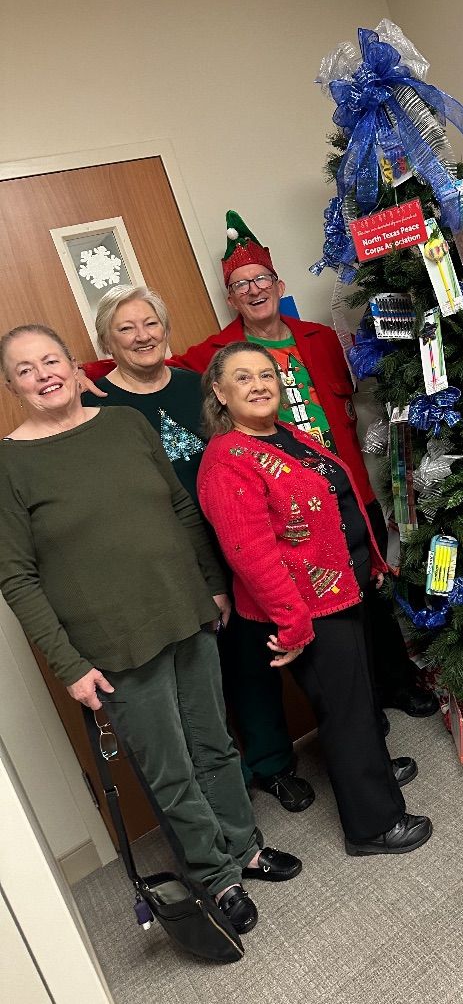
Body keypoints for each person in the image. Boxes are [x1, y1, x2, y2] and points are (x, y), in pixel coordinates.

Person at [0, 324, 300, 937]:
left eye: (51, 359)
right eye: (26, 369)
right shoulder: (9, 465)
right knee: (170, 767)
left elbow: (181, 508)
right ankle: (214, 876)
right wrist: (69, 666)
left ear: (73, 364)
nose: (44, 374)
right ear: (11, 386)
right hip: (113, 649)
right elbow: (17, 577)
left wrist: (213, 585)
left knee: (215, 743)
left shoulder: (124, 425)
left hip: (185, 613)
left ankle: (243, 847)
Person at [83, 210, 437, 720]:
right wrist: (80, 374)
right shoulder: (212, 356)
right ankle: (360, 713)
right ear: (230, 299)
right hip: (288, 515)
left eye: (261, 279)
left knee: (372, 600)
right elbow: (143, 361)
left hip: (347, 493)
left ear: (278, 284)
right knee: (325, 615)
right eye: (240, 285)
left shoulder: (318, 339)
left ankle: (399, 685)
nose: (253, 290)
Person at [82, 284, 315, 813]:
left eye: (151, 324)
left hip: (237, 545)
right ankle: (219, 799)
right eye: (126, 328)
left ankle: (273, 764)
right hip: (165, 562)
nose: (143, 336)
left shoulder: (201, 387)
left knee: (250, 662)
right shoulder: (96, 403)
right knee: (189, 686)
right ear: (106, 341)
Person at [197, 341, 433, 856]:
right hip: (305, 607)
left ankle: (369, 769)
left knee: (359, 696)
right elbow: (249, 553)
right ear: (219, 391)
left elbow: (338, 504)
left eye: (266, 374)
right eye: (243, 378)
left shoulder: (285, 436)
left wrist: (368, 561)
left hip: (341, 591)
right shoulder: (227, 460)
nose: (259, 385)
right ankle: (373, 825)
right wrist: (291, 621)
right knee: (344, 708)